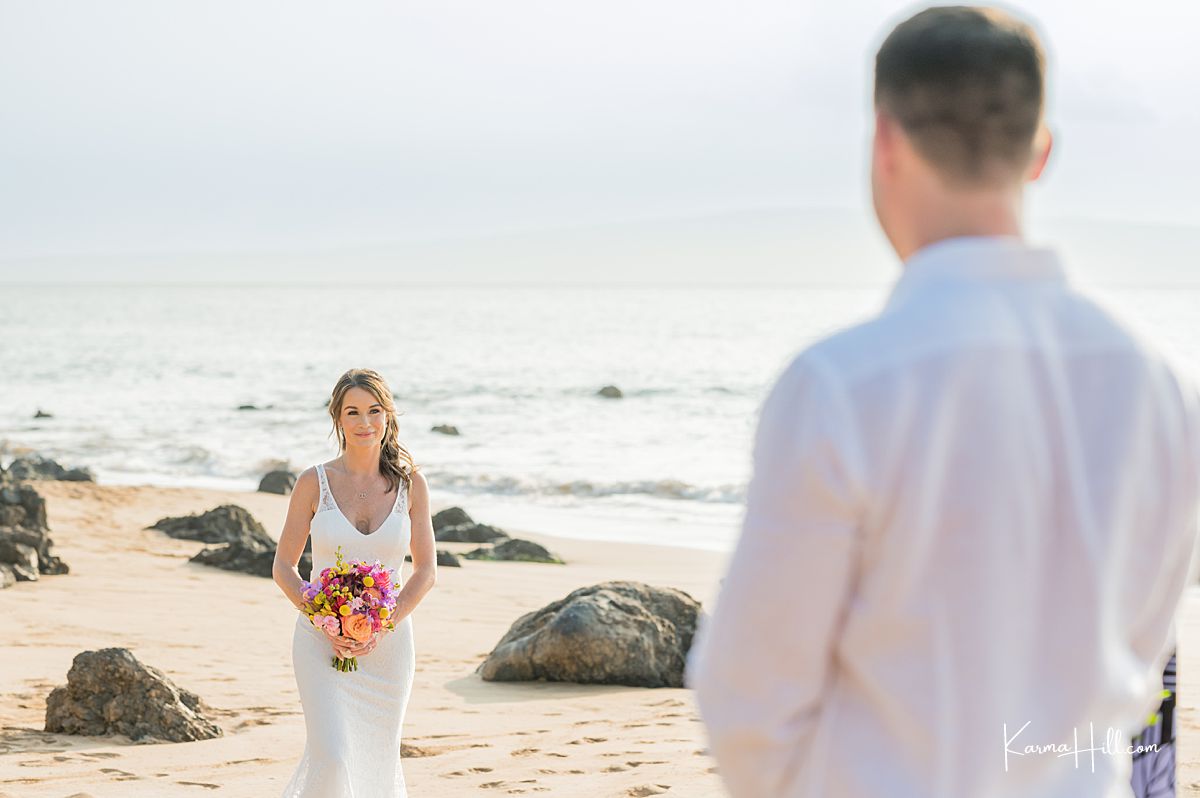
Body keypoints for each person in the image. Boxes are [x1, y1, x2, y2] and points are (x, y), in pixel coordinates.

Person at [687, 6, 1200, 797]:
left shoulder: (842, 386)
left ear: (884, 142)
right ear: (1042, 152)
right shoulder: (1158, 385)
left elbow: (749, 695)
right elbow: (1137, 659)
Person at [273, 367, 437, 797]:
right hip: (320, 644)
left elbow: (424, 571)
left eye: (374, 411)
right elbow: (284, 568)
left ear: (388, 416)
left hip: (388, 649)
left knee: (376, 762)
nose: (365, 423)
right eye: (353, 412)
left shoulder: (410, 485)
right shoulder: (314, 483)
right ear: (338, 419)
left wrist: (380, 624)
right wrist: (328, 622)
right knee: (333, 756)